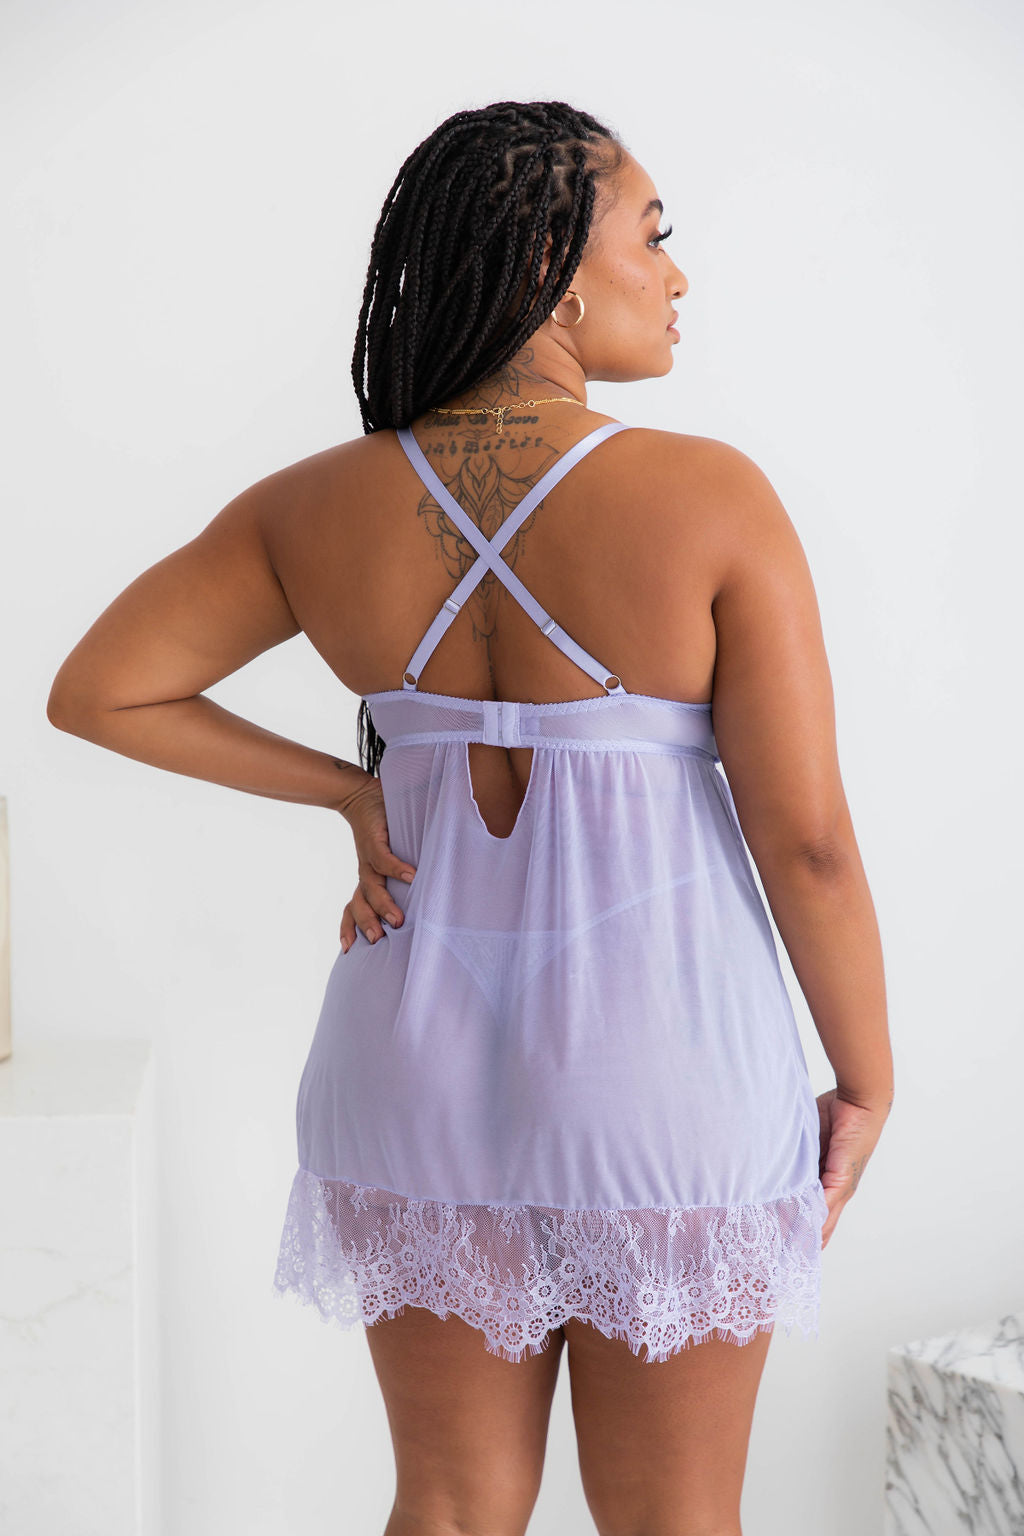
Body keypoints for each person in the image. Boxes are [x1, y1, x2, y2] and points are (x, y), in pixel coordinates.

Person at [47, 99, 893, 1536]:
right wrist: (864, 1082)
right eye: (653, 236)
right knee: (674, 1518)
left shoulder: (317, 505)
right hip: (664, 1067)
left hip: (415, 1060)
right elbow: (805, 841)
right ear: (556, 268)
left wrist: (355, 789)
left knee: (446, 1504)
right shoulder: (710, 496)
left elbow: (103, 689)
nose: (678, 274)